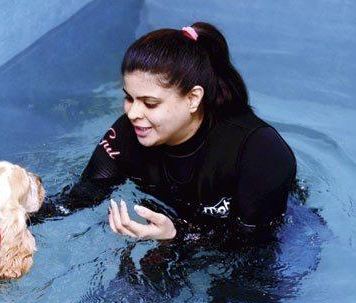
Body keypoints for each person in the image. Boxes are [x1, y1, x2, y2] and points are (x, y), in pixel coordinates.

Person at [36, 22, 296, 241]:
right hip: (176, 231)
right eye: (129, 98)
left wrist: (178, 235)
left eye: (149, 103)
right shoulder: (129, 132)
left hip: (258, 247)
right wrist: (15, 212)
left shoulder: (257, 150)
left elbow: (254, 244)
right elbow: (80, 197)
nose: (132, 113)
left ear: (193, 98)